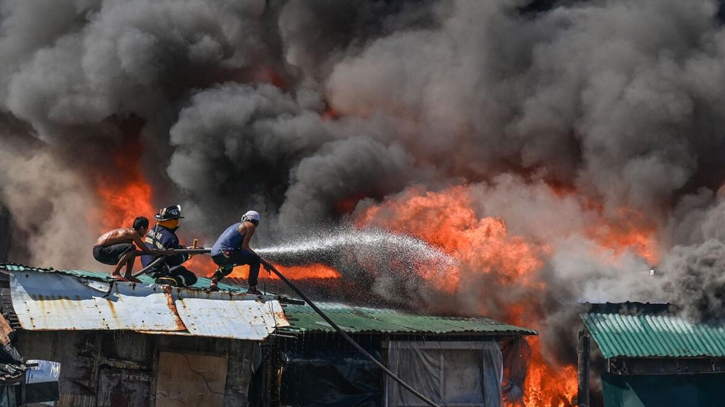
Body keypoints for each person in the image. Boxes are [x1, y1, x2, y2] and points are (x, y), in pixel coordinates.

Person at [93, 216, 170, 281]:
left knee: (132, 249)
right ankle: (115, 273)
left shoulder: (129, 235)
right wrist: (166, 252)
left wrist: (156, 253)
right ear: (142, 228)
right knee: (131, 247)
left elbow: (134, 252)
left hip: (102, 252)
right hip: (100, 250)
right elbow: (147, 250)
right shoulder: (132, 233)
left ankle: (128, 275)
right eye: (146, 229)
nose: (146, 232)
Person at [140, 205, 199, 287]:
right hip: (158, 268)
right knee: (191, 277)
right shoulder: (170, 237)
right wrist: (186, 255)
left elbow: (166, 247)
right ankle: (168, 280)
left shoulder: (154, 229)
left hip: (147, 265)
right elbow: (174, 260)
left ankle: (165, 278)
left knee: (180, 270)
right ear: (172, 220)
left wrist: (185, 249)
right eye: (176, 219)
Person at [209, 210, 266, 294]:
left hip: (215, 254)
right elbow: (245, 247)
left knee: (228, 267)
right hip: (226, 254)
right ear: (256, 222)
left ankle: (214, 281)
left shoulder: (235, 226)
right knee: (255, 260)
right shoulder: (250, 226)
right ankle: (252, 288)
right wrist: (260, 259)